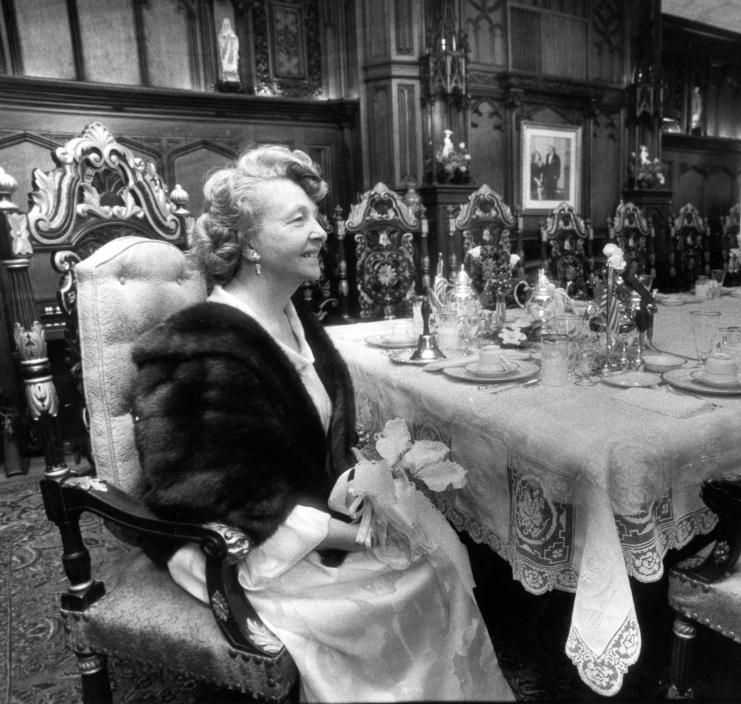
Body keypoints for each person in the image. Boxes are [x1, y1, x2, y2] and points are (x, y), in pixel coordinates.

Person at [131, 145, 514, 702]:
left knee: (432, 551)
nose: (320, 232)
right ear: (250, 244)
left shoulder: (292, 318)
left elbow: (311, 441)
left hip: (296, 515)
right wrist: (351, 533)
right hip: (239, 548)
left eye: (315, 216)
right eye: (297, 220)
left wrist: (366, 496)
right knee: (411, 578)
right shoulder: (204, 347)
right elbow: (200, 493)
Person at [218, 18, 240, 83]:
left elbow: (236, 42)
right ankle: (226, 75)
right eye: (225, 24)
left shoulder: (232, 33)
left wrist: (232, 39)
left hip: (232, 53)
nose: (226, 26)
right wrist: (226, 39)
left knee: (233, 64)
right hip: (226, 53)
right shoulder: (221, 34)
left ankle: (234, 74)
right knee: (226, 63)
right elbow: (221, 43)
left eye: (228, 25)